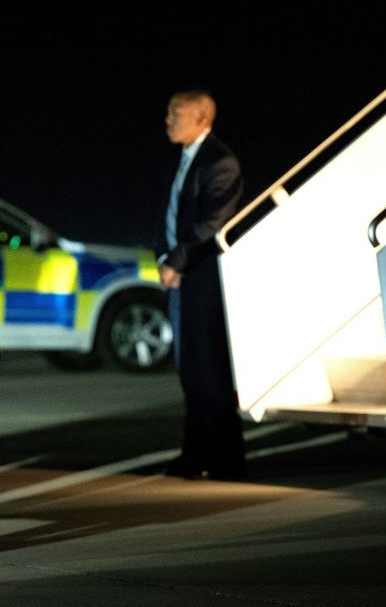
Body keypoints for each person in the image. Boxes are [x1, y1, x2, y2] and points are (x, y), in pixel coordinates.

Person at [156, 90, 245, 481]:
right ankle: (194, 456)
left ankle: (226, 458)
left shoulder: (219, 162)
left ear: (202, 118)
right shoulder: (185, 159)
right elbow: (170, 216)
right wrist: (163, 257)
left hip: (203, 281)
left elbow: (212, 223)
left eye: (176, 114)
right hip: (182, 278)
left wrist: (176, 262)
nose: (168, 120)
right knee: (189, 372)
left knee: (210, 371)